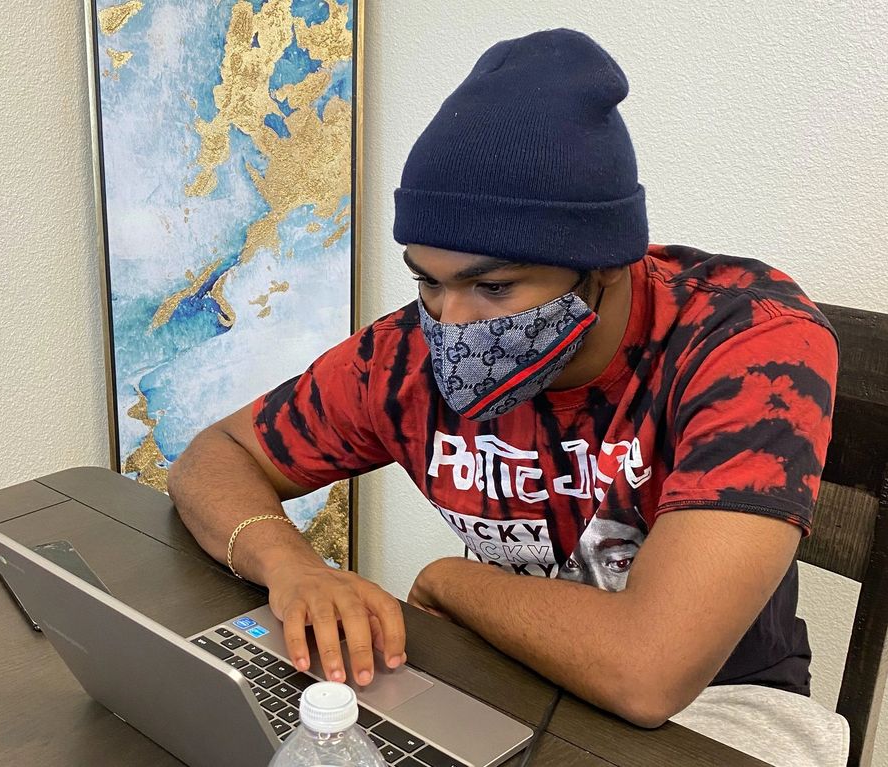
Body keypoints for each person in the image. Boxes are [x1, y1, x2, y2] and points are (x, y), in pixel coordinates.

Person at [169, 28, 848, 765]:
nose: (450, 322)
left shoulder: (750, 343)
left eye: (493, 286)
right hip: (501, 668)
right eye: (427, 280)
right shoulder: (402, 355)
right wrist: (293, 566)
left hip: (718, 707)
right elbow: (216, 454)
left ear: (607, 265)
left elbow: (647, 671)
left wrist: (449, 580)